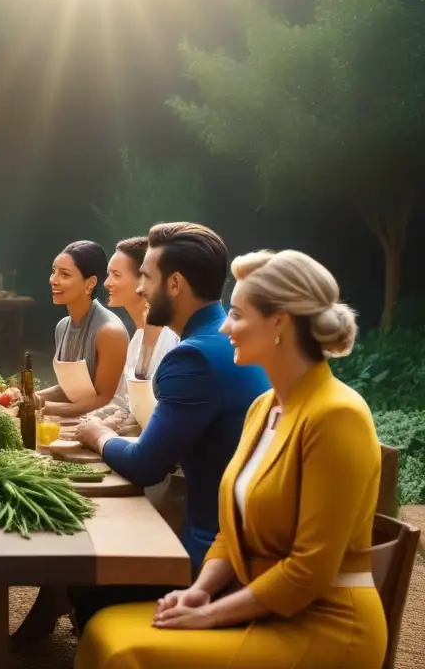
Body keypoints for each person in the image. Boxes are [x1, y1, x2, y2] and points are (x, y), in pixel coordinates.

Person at [77, 250, 385, 669]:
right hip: (261, 604)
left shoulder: (337, 415)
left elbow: (309, 571)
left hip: (325, 625)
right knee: (104, 628)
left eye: (238, 315)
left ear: (279, 322)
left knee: (125, 650)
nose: (225, 326)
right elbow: (230, 527)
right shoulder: (264, 407)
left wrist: (208, 614)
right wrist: (199, 590)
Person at [71, 223, 270, 627]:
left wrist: (99, 435)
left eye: (145, 276)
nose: (140, 288)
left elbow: (146, 464)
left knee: (86, 578)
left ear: (175, 283)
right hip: (241, 542)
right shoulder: (224, 340)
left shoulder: (192, 357)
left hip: (214, 558)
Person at [38, 241, 129, 432]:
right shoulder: (63, 327)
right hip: (75, 420)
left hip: (109, 427)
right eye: (53, 271)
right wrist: (29, 396)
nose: (53, 280)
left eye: (65, 274)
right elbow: (71, 390)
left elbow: (103, 398)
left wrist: (41, 406)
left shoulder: (109, 332)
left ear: (90, 283)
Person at [105, 236, 179, 386]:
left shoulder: (173, 340)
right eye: (108, 274)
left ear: (145, 278)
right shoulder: (138, 338)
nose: (107, 283)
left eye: (116, 275)